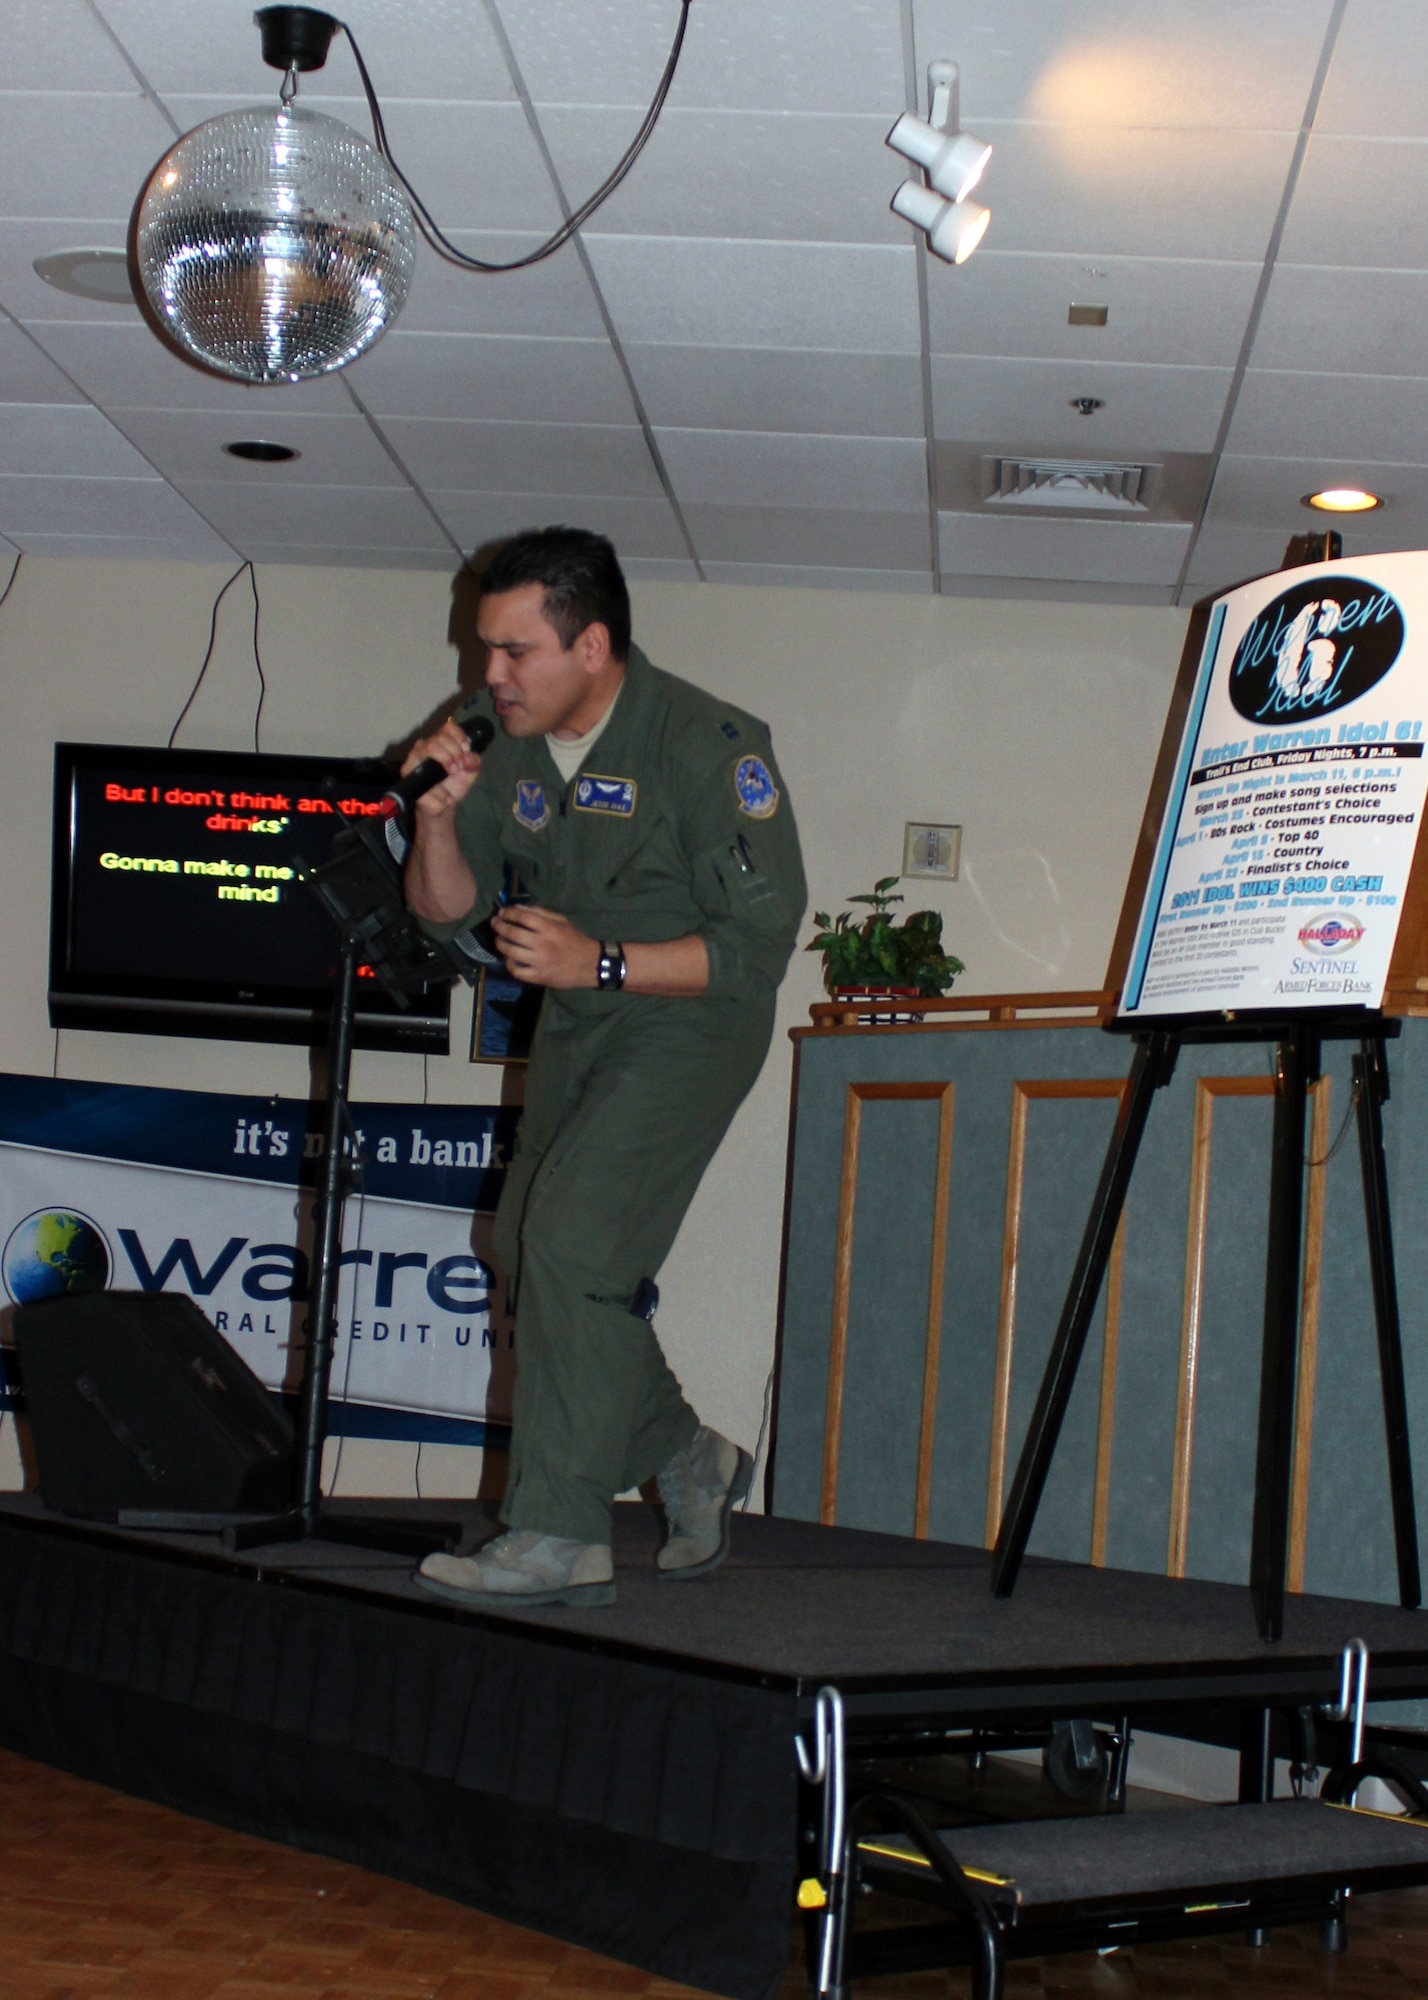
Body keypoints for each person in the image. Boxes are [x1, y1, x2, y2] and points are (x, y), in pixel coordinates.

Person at [404, 527, 806, 1609]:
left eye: (512, 650)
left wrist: (605, 957)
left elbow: (759, 946)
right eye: (486, 649)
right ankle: (687, 1456)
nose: (487, 675)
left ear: (591, 644)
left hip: (689, 1017)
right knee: (521, 1243)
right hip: (581, 1018)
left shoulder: (708, 743)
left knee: (573, 1235)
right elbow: (447, 909)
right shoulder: (508, 746)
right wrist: (434, 819)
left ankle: (559, 1531)